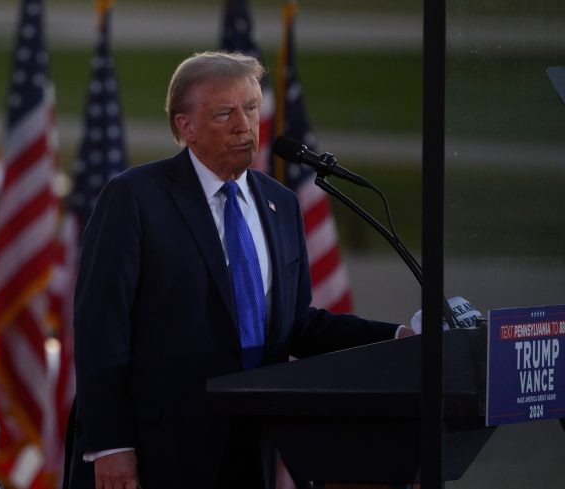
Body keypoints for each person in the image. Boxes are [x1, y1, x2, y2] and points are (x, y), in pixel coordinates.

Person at [69, 51, 413, 489]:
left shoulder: (280, 204)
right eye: (224, 113)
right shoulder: (134, 198)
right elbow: (101, 328)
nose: (243, 125)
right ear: (186, 127)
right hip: (158, 449)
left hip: (253, 442)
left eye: (251, 108)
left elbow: (296, 326)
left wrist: (398, 338)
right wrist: (111, 445)